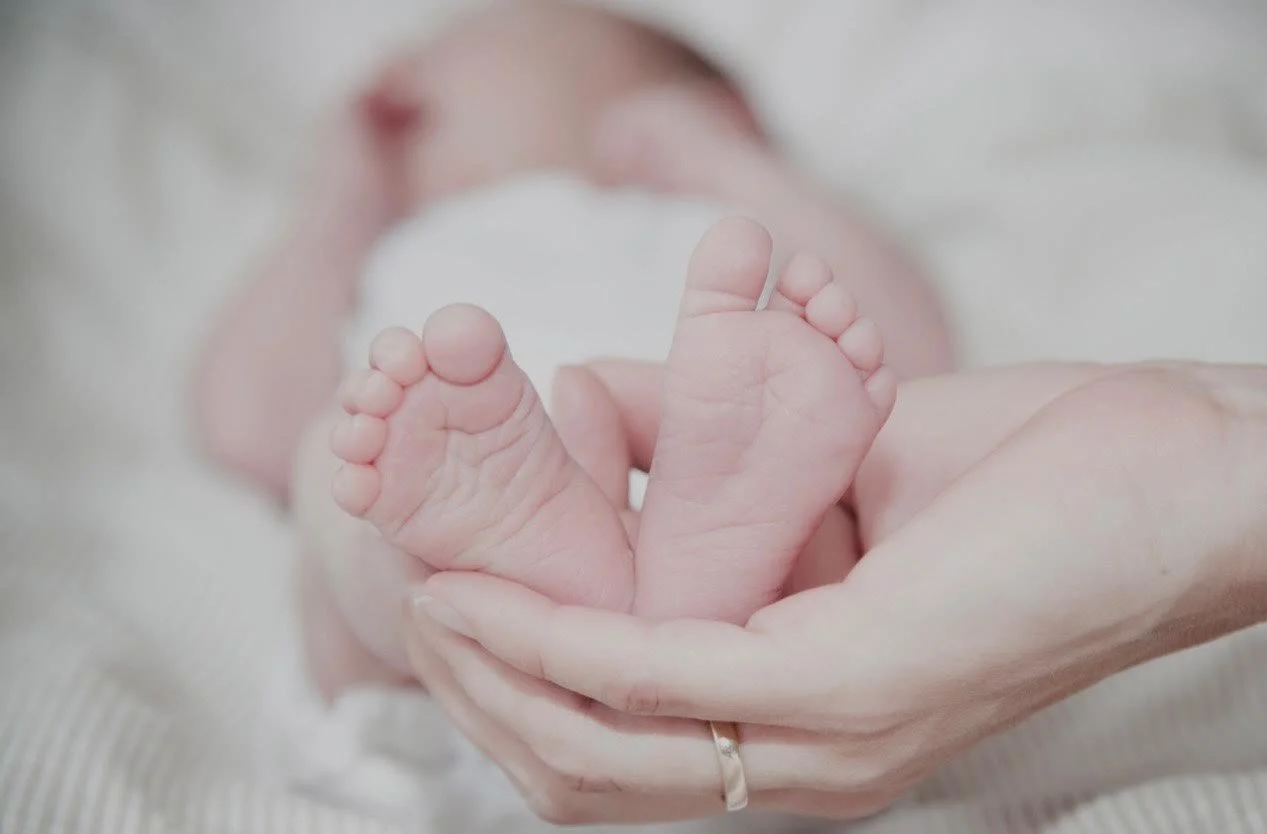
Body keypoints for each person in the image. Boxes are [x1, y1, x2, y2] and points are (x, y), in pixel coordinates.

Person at [195, 0, 952, 702]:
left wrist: (725, 161)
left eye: (458, 54)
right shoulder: (393, 245)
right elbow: (246, 428)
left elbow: (910, 368)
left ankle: (674, 574)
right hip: (446, 696)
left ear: (703, 108)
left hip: (771, 710)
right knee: (343, 468)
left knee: (839, 488)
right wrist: (342, 197)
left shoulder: (714, 221)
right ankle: (583, 576)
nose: (401, 86)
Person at [400, 357, 1267, 824]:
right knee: (384, 524)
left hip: (590, 426)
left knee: (381, 550)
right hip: (566, 430)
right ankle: (641, 574)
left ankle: (590, 579)